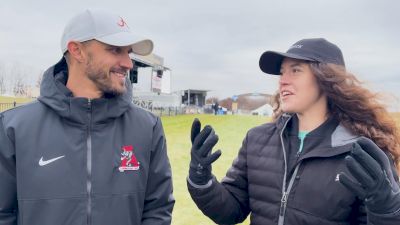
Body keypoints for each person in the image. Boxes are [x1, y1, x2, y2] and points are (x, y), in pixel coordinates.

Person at [187, 38, 400, 224]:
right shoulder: (257, 139)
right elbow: (230, 211)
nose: (283, 80)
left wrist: (387, 212)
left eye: (295, 70)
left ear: (326, 79)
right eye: (282, 73)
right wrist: (201, 178)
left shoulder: (362, 152)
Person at [0, 9, 174, 225]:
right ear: (77, 51)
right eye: (115, 50)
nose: (128, 63)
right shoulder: (13, 128)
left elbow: (157, 211)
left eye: (128, 52)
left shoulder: (148, 127)